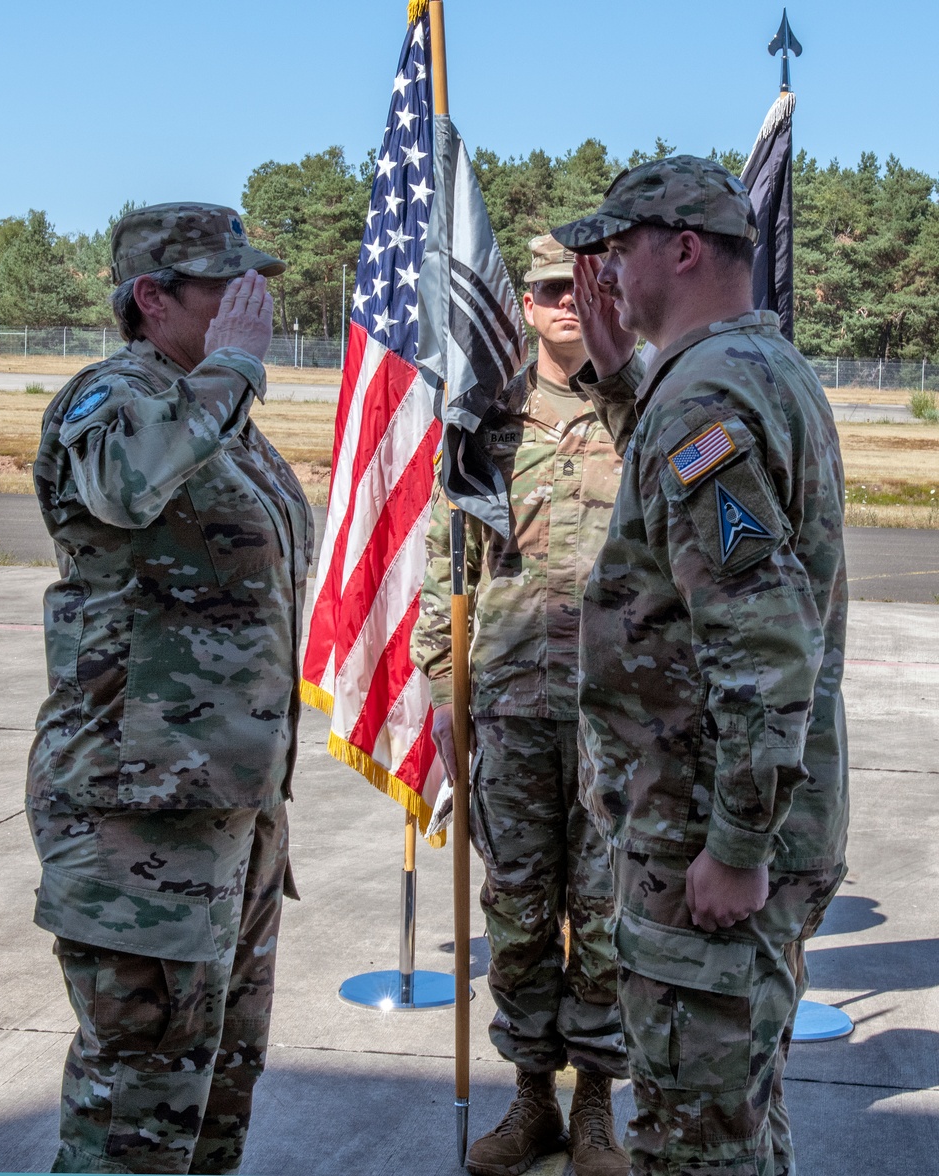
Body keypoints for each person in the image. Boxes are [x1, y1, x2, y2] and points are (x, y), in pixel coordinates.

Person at [550, 155, 848, 1176]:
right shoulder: (752, 371)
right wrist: (622, 377)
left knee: (693, 1144)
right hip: (738, 822)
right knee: (737, 1117)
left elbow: (761, 644)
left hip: (703, 843)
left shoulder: (705, 399)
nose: (607, 276)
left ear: (679, 248)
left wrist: (734, 842)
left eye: (619, 249)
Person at [26, 203, 314, 1175]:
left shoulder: (215, 412)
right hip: (134, 816)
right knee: (135, 1113)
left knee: (215, 1092)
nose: (254, 302)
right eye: (227, 286)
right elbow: (125, 485)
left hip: (232, 809)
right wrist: (233, 365)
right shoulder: (111, 397)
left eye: (255, 281)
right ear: (152, 297)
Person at [411, 235, 630, 1176]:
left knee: (609, 912)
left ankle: (597, 1109)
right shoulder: (483, 424)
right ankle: (533, 1098)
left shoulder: (646, 413)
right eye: (548, 289)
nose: (565, 304)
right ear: (525, 305)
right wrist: (439, 682)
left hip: (618, 711)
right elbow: (444, 564)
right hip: (508, 705)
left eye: (582, 286)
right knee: (518, 909)